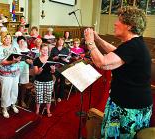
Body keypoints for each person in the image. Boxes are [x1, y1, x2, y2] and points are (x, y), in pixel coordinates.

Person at [84, 6, 152, 138]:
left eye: (119, 20)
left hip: (129, 107)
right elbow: (117, 52)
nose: (115, 23)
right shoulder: (134, 44)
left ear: (129, 25)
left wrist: (90, 42)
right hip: (130, 103)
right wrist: (97, 39)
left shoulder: (133, 46)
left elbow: (102, 63)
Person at [0, 33, 21, 118]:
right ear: (2, 39)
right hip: (5, 73)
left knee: (14, 89)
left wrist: (18, 59)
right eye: (5, 38)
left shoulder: (15, 47)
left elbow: (19, 56)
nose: (7, 40)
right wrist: (12, 62)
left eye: (9, 38)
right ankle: (4, 108)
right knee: (6, 91)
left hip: (15, 72)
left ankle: (13, 104)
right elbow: (0, 61)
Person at [33, 44, 55, 117]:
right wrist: (39, 71)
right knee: (38, 96)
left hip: (48, 80)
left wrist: (53, 70)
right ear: (40, 50)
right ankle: (37, 109)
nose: (45, 51)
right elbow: (36, 73)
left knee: (48, 96)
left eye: (46, 50)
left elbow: (52, 72)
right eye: (43, 50)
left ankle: (48, 109)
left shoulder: (50, 59)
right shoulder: (36, 59)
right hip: (39, 80)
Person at [50, 37, 69, 102]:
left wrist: (65, 59)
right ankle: (54, 96)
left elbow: (68, 59)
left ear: (63, 42)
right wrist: (54, 58)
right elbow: (50, 58)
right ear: (57, 41)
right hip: (56, 67)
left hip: (63, 66)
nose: (61, 42)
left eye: (62, 41)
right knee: (54, 81)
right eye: (60, 40)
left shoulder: (66, 49)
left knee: (62, 82)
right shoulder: (53, 49)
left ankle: (60, 96)